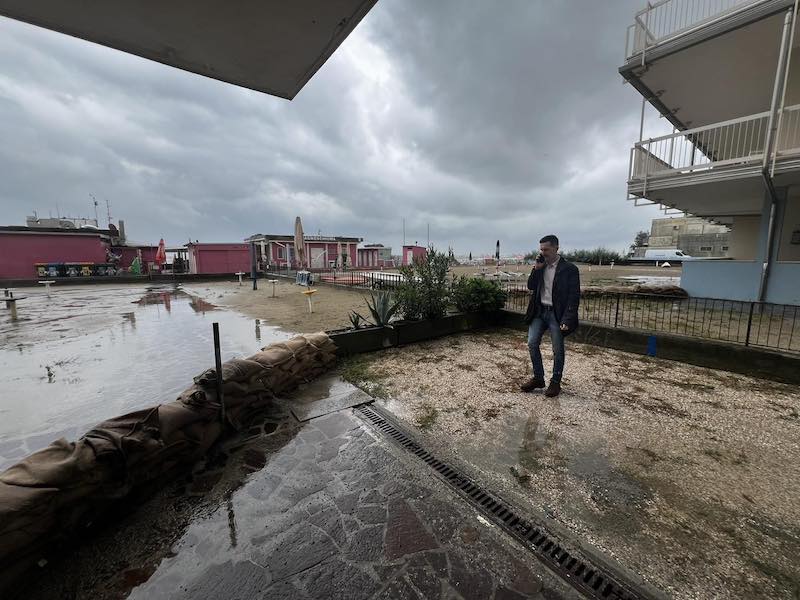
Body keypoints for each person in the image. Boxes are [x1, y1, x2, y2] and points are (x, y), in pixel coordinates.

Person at [520, 235, 580, 397]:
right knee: (532, 343)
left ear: (556, 248)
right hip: (539, 311)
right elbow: (531, 286)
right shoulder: (541, 265)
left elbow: (574, 296)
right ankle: (538, 378)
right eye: (541, 249)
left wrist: (568, 318)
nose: (543, 252)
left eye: (546, 249)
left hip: (557, 314)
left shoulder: (569, 269)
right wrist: (536, 269)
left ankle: (555, 382)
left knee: (557, 349)